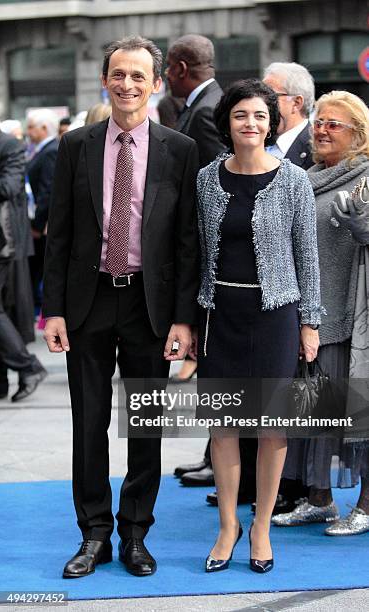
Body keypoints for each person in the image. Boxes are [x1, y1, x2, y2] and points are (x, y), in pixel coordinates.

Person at [43, 36, 199, 579]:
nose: (127, 84)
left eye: (138, 76)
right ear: (105, 80)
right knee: (87, 424)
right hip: (85, 305)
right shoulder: (75, 146)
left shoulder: (179, 150)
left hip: (148, 306)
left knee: (145, 425)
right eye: (118, 74)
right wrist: (53, 310)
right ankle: (93, 535)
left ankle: (135, 533)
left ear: (156, 84)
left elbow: (186, 243)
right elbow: (58, 235)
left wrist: (184, 318)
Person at [195, 79, 321, 573]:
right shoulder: (206, 180)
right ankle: (228, 526)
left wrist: (309, 323)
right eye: (242, 114)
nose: (251, 123)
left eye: (261, 116)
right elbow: (198, 251)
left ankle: (262, 525)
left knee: (272, 428)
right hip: (219, 315)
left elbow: (306, 256)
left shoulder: (293, 180)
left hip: (276, 318)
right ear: (227, 122)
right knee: (224, 427)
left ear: (273, 123)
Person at [272, 91, 369, 535]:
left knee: (356, 415)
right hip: (309, 314)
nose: (322, 130)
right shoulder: (306, 177)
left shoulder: (366, 177)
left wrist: (362, 226)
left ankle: (366, 505)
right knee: (312, 413)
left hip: (353, 315)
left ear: (359, 134)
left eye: (334, 124)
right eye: (319, 122)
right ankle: (318, 499)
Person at [166, 34, 230, 488]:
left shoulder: (207, 111)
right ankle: (213, 453)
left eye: (167, 66)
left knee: (216, 363)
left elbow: (212, 191)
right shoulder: (203, 104)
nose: (167, 75)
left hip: (211, 261)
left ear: (181, 67)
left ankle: (218, 457)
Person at [263, 61, 316, 512]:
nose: (257, 106)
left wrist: (309, 318)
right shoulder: (258, 149)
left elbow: (305, 245)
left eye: (268, 95)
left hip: (290, 298)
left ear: (294, 102)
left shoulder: (307, 152)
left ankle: (299, 486)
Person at [0, 128, 47, 401]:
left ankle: (28, 367)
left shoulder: (10, 145)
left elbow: (9, 186)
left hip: (5, 244)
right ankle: (7, 377)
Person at [26, 109, 58, 308]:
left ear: (44, 128)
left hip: (42, 227)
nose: (28, 132)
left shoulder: (50, 151)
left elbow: (48, 191)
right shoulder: (43, 150)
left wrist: (37, 225)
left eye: (31, 127)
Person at [263, 62, 314, 169]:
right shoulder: (253, 143)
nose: (261, 103)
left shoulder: (317, 150)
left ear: (296, 103)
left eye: (270, 96)